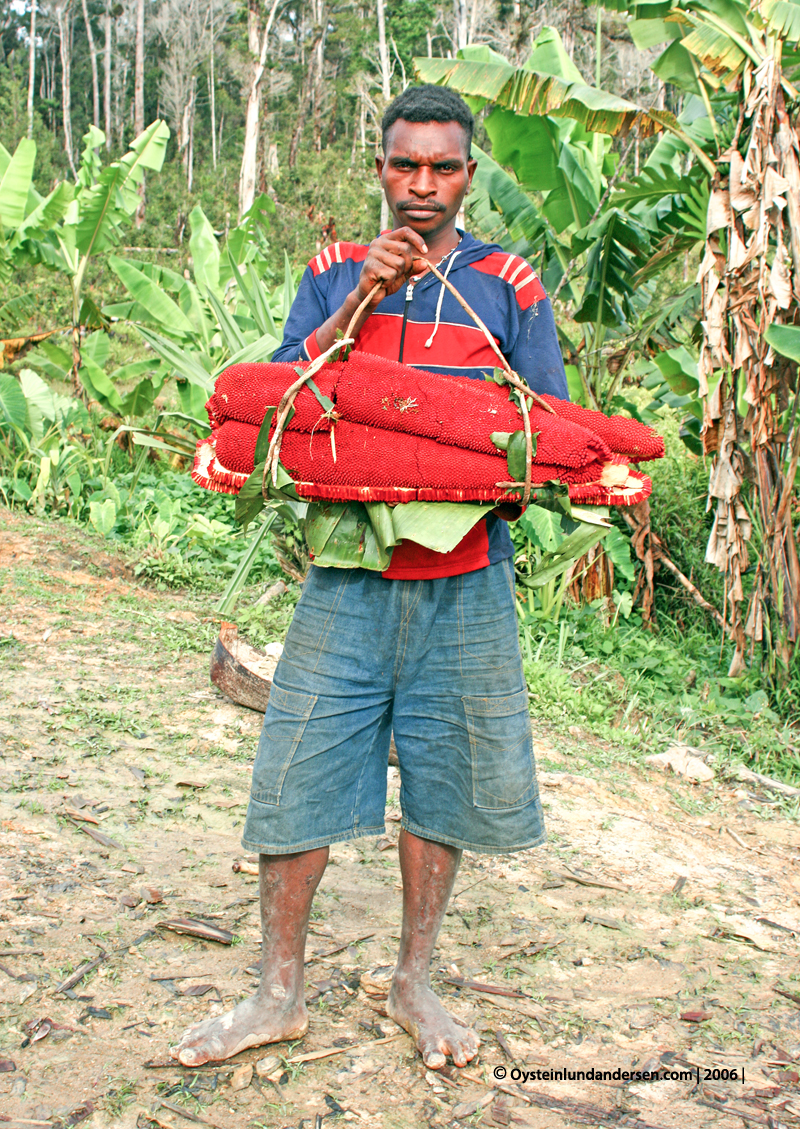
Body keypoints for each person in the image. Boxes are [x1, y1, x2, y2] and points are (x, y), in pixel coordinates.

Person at [172, 84, 568, 1072]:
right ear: (379, 167)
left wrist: (479, 466)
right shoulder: (331, 270)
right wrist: (363, 301)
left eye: (441, 167)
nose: (421, 186)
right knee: (298, 766)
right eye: (404, 165)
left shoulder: (508, 283)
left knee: (446, 775)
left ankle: (414, 981)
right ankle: (275, 995)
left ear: (467, 174)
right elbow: (278, 399)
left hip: (466, 576)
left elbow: (550, 430)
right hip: (346, 569)